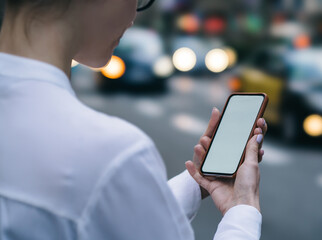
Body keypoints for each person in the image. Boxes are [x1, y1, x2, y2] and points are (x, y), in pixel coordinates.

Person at [0, 0, 267, 239]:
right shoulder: (112, 153)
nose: (133, 16)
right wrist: (242, 212)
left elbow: (92, 213)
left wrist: (195, 183)